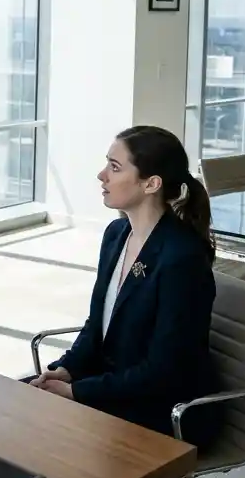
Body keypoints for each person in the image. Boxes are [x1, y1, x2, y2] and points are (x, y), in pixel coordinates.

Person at [29, 125, 221, 447]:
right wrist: (68, 369)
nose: (101, 175)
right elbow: (97, 324)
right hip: (118, 386)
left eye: (115, 167)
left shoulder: (182, 258)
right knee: (21, 404)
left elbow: (163, 372)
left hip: (162, 408)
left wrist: (77, 391)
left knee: (40, 432)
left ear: (151, 184)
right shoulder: (116, 235)